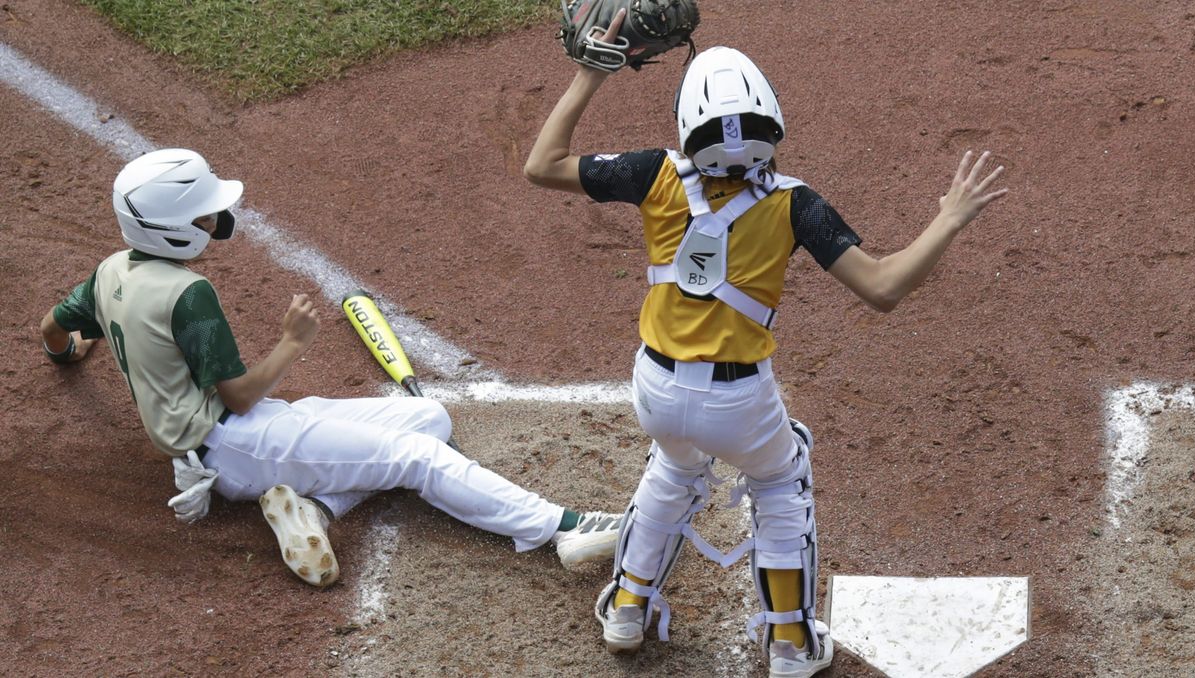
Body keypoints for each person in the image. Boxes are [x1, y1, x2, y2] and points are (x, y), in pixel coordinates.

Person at [524, 11, 1007, 678]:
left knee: (673, 467)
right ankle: (790, 645)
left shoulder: (654, 174)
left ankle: (628, 607)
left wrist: (587, 78)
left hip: (657, 389)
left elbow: (541, 164)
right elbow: (885, 287)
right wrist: (949, 218)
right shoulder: (794, 203)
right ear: (771, 123)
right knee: (781, 480)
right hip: (738, 400)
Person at [40, 148, 622, 589]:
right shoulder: (188, 293)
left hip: (226, 439)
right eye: (204, 216)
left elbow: (52, 327)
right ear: (172, 228)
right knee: (417, 458)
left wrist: (66, 352)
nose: (215, 222)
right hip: (234, 441)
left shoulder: (111, 270)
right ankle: (561, 526)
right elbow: (240, 396)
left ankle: (312, 509)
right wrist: (292, 342)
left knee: (429, 418)